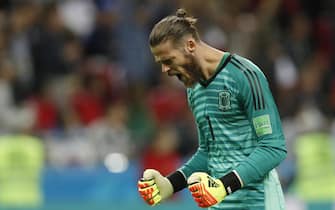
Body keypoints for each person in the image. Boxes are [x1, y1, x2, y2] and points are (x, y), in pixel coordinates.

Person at [138, 8, 287, 210]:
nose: (164, 70)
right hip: (218, 205)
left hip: (258, 203)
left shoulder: (244, 74)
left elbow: (273, 147)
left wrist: (224, 186)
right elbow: (209, 153)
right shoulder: (194, 89)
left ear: (190, 45)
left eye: (168, 60)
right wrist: (170, 184)